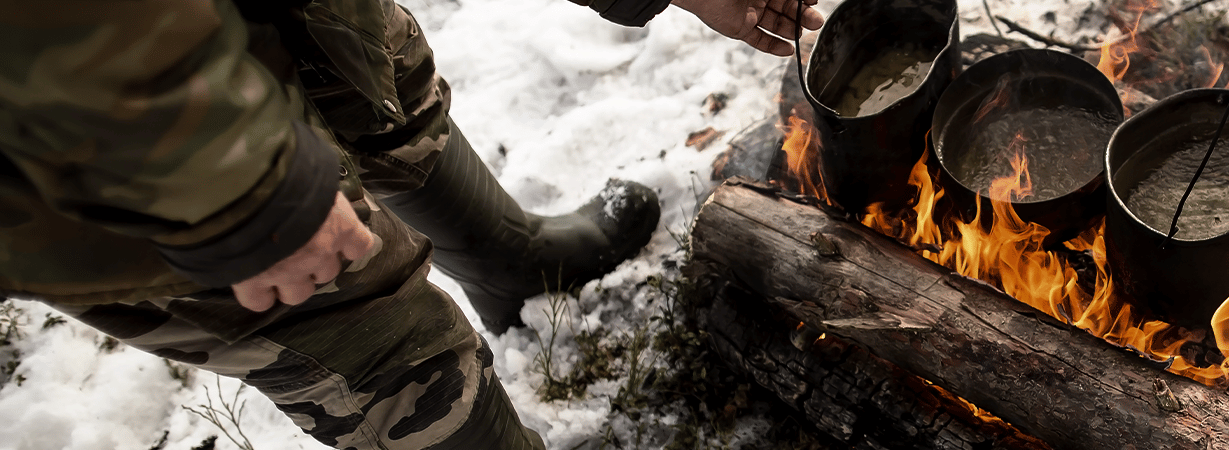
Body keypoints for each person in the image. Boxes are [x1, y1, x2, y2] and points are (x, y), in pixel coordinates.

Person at [0, 0, 823, 448]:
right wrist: (236, 186)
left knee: (373, 69)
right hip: (90, 148)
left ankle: (512, 264)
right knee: (375, 343)